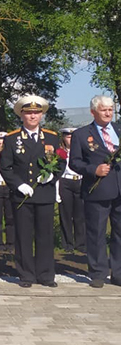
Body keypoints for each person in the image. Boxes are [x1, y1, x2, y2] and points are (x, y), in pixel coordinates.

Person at [0, 95, 62, 288]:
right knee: (24, 236)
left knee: (45, 235)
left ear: (41, 115)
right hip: (22, 195)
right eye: (29, 113)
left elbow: (61, 161)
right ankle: (26, 274)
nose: (33, 116)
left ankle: (45, 275)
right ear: (22, 115)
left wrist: (52, 176)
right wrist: (19, 185)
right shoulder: (12, 139)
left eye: (36, 113)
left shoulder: (52, 137)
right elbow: (5, 167)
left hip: (44, 193)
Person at [69, 95, 121, 288]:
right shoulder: (82, 134)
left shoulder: (118, 129)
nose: (108, 113)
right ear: (93, 112)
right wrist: (93, 170)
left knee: (119, 232)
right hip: (97, 189)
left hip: (119, 188)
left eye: (110, 109)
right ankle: (98, 273)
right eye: (104, 109)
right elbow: (74, 162)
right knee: (96, 232)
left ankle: (118, 273)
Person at [57, 127, 85, 254]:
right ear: (63, 138)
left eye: (73, 137)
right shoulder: (60, 152)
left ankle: (81, 243)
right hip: (65, 182)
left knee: (80, 215)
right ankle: (67, 243)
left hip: (79, 181)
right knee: (66, 214)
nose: (71, 139)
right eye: (68, 136)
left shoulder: (82, 151)